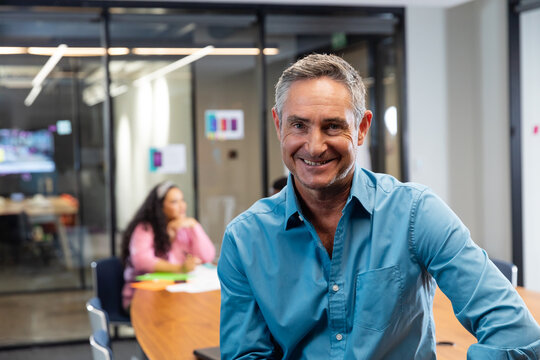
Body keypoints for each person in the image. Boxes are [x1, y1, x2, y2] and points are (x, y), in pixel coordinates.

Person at [218, 54, 540, 359]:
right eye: (299, 125)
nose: (314, 146)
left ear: (361, 128)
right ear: (278, 125)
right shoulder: (244, 240)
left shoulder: (416, 213)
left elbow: (520, 337)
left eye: (332, 126)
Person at [121, 181, 215, 310]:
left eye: (182, 200)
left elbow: (207, 257)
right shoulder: (145, 228)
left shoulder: (184, 229)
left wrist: (195, 226)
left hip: (176, 293)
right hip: (142, 298)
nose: (182, 206)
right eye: (174, 202)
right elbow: (141, 261)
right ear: (160, 206)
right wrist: (180, 269)